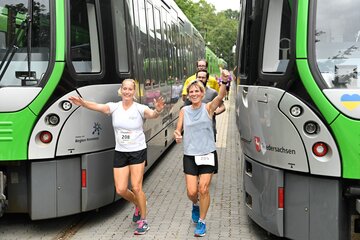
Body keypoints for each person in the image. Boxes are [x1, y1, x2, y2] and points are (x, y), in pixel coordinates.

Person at [68, 79, 165, 235]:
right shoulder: (114, 107)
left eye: (130, 89)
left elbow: (153, 114)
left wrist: (158, 110)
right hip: (120, 151)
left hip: (137, 151)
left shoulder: (140, 108)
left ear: (134, 91)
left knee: (136, 187)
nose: (127, 91)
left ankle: (143, 220)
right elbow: (98, 107)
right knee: (120, 189)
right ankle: (139, 204)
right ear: (121, 90)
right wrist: (82, 103)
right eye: (124, 89)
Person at [174, 70, 230, 237]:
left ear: (202, 93)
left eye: (197, 91)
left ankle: (202, 222)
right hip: (190, 155)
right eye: (191, 92)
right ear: (188, 95)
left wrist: (224, 82)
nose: (194, 94)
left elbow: (220, 97)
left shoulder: (208, 108)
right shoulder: (184, 111)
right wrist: (177, 134)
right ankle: (196, 205)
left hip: (207, 153)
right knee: (192, 192)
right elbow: (178, 129)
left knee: (203, 188)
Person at [184, 69, 225, 141]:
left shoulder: (213, 93)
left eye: (203, 77)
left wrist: (213, 112)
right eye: (199, 77)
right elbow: (185, 111)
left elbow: (222, 107)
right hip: (194, 131)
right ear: (196, 78)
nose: (201, 79)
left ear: (207, 79)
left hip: (209, 130)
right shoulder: (192, 94)